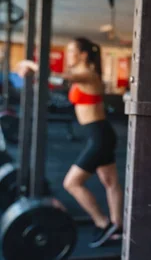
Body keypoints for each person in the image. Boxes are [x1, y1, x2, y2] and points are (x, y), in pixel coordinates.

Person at [17, 38, 123, 248]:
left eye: (72, 51)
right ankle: (117, 227)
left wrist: (30, 65)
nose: (69, 55)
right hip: (98, 133)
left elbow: (57, 78)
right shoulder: (83, 75)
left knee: (72, 183)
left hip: (100, 135)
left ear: (83, 55)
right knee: (110, 182)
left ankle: (103, 223)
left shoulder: (88, 74)